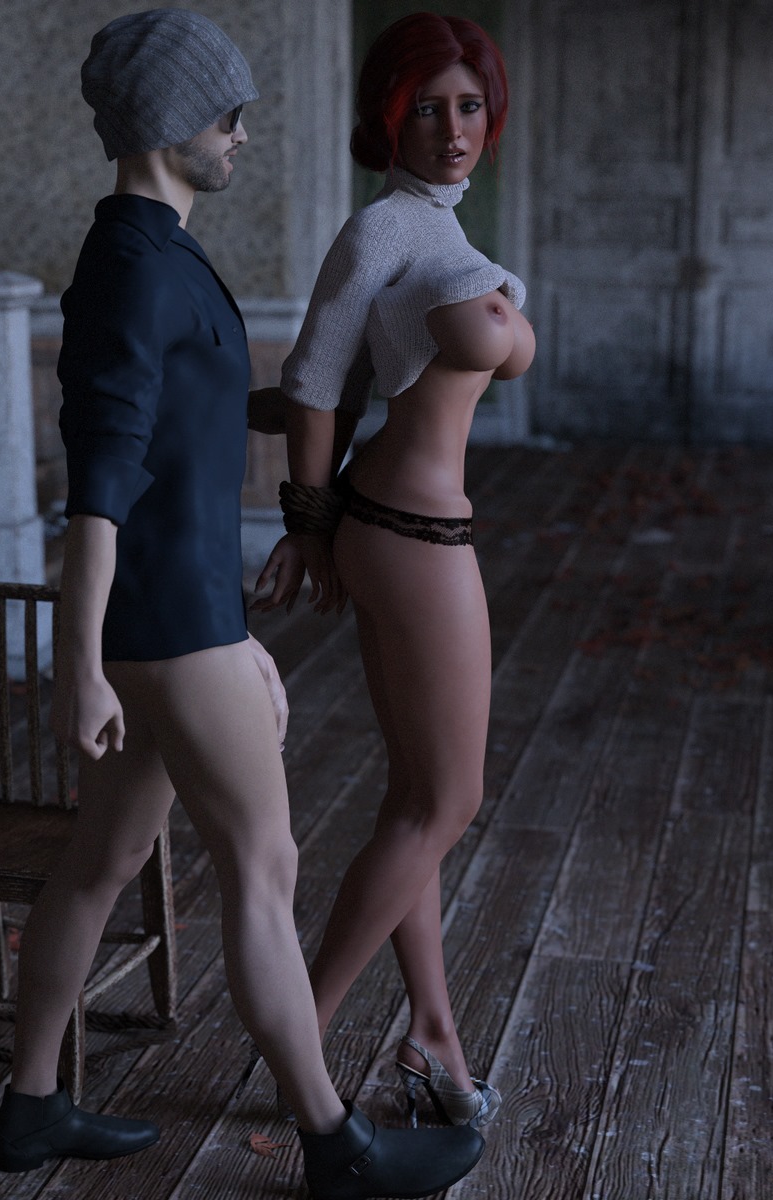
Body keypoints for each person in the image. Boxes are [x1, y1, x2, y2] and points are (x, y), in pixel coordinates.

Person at [0, 10, 486, 1198]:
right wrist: (83, 665)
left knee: (102, 860)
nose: (242, 137)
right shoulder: (134, 271)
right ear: (171, 125)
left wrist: (314, 411)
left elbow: (191, 430)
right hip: (169, 625)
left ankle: (32, 1104)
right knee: (265, 865)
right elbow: (101, 487)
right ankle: (334, 1144)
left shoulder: (153, 252)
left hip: (177, 619)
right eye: (227, 117)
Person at [255, 12, 535, 1130]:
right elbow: (315, 382)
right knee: (449, 799)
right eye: (426, 108)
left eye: (469, 106)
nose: (451, 129)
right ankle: (301, 1040)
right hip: (407, 535)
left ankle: (433, 1034)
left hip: (410, 524)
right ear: (387, 115)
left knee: (417, 795)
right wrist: (307, 521)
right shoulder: (379, 231)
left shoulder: (439, 229)